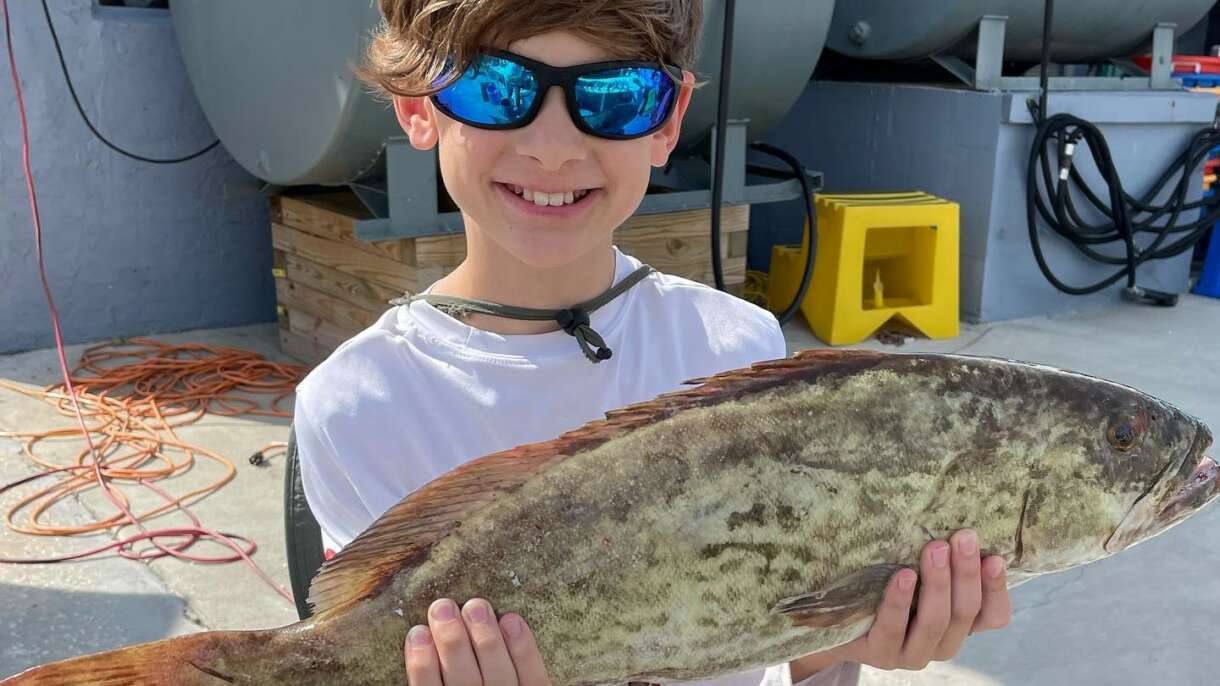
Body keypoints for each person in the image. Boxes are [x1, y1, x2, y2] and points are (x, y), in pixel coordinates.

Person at [292, 2, 1013, 685]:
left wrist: (838, 644)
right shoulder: (357, 406)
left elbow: (762, 647)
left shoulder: (738, 344)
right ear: (420, 106)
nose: (552, 148)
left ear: (666, 122)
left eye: (614, 97)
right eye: (495, 87)